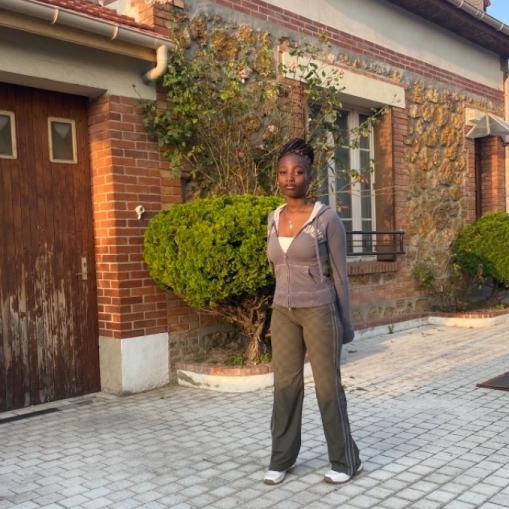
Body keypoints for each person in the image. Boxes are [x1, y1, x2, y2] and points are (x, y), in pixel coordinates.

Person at [264, 138, 362, 485]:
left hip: (320, 311)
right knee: (284, 386)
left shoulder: (326, 219)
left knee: (327, 388)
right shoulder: (273, 218)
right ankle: (281, 459)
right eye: (283, 172)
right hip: (283, 311)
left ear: (309, 175)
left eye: (297, 172)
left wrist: (346, 323)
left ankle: (346, 461)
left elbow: (340, 276)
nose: (290, 178)